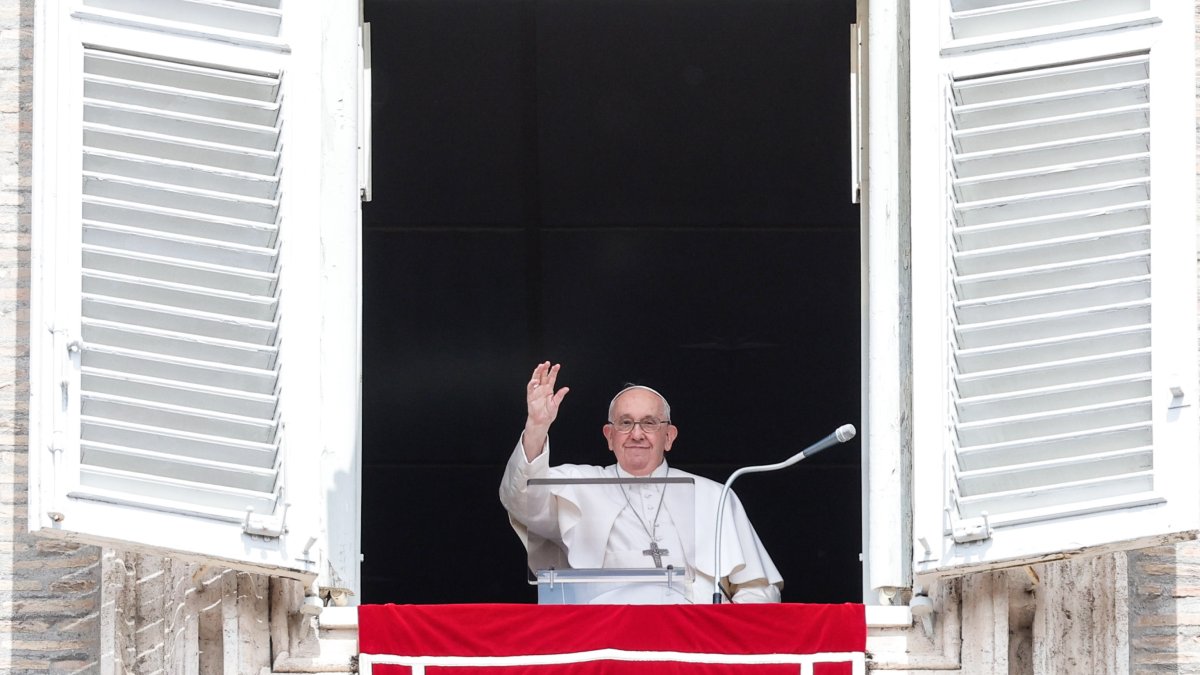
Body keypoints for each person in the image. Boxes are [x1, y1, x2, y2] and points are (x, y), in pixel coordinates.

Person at [499, 361, 783, 603]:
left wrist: (722, 633)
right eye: (625, 423)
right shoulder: (577, 484)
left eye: (649, 423)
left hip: (694, 645)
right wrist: (536, 426)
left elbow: (758, 588)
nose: (636, 434)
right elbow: (521, 499)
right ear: (609, 436)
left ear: (669, 437)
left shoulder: (715, 496)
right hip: (606, 643)